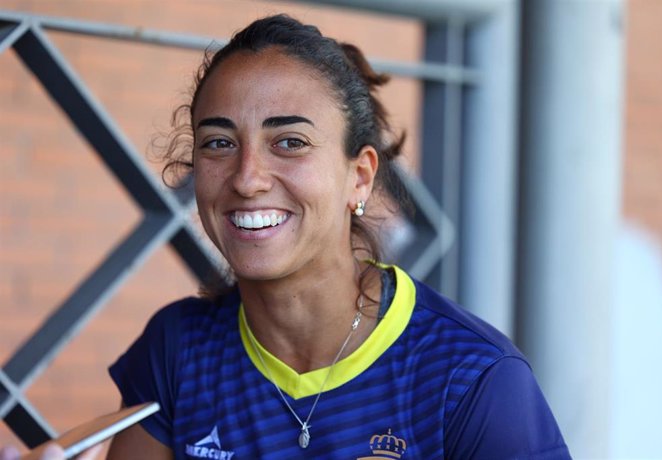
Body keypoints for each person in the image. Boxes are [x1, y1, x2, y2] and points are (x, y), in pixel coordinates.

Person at [3, 14, 570, 459]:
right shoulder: (177, 351)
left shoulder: (470, 379)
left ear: (360, 176)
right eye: (219, 143)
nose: (247, 179)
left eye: (290, 143)